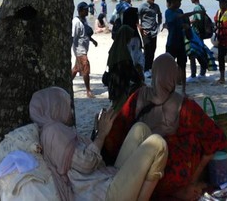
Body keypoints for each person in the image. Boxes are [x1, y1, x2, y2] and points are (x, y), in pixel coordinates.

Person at [107, 53, 227, 200]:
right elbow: (216, 139)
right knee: (197, 139)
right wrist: (193, 180)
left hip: (135, 170)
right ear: (173, 75)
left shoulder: (138, 96)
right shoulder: (186, 107)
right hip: (172, 178)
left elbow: (117, 131)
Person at [30, 86, 167, 201]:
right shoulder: (52, 131)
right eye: (66, 105)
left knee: (140, 129)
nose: (71, 110)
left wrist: (97, 131)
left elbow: (80, 158)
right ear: (55, 107)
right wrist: (102, 134)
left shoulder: (58, 130)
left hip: (104, 180)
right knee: (157, 144)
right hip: (102, 194)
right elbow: (86, 163)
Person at [105, 26, 144, 110]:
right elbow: (131, 72)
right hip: (121, 88)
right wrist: (140, 80)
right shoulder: (124, 55)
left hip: (113, 86)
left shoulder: (113, 50)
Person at [164, 0, 189, 92]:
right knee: (169, 66)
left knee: (182, 66)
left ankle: (183, 89)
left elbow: (184, 23)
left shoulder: (180, 11)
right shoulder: (168, 12)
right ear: (173, 1)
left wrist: (186, 26)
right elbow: (175, 19)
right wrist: (194, 13)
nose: (180, 4)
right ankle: (169, 88)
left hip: (181, 42)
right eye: (179, 1)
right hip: (171, 42)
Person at [72, 2, 97, 98]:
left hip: (84, 48)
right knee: (86, 66)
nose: (88, 11)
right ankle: (88, 90)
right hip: (79, 49)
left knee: (76, 69)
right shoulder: (75, 22)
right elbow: (72, 36)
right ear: (80, 10)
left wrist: (93, 40)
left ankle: (65, 85)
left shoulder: (85, 20)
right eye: (86, 10)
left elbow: (85, 33)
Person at [138, 0, 162, 78]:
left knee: (153, 49)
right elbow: (136, 17)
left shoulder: (156, 6)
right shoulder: (142, 7)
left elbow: (159, 14)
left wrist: (159, 24)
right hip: (146, 31)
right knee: (147, 50)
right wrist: (140, 27)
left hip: (154, 31)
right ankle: (145, 69)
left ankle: (150, 67)